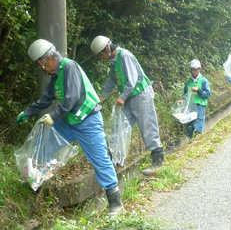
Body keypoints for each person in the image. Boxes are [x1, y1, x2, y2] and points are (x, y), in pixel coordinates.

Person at [16, 39, 124, 216]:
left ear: (47, 58)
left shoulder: (69, 67)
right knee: (46, 143)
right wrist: (27, 112)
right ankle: (36, 181)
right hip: (69, 121)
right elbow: (46, 98)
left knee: (100, 160)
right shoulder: (56, 75)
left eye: (39, 64)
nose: (40, 68)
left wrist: (53, 116)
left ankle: (115, 202)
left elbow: (72, 97)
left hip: (88, 120)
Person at [90, 35, 164, 176]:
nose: (101, 58)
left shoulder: (125, 55)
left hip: (141, 94)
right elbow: (112, 81)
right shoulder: (113, 61)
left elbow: (132, 79)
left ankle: (158, 162)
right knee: (120, 127)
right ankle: (115, 160)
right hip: (130, 97)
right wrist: (101, 97)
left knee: (148, 127)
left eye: (101, 54)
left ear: (107, 49)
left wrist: (122, 97)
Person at [182, 59, 210, 138]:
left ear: (199, 69)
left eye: (194, 70)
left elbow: (207, 94)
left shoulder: (203, 81)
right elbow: (185, 94)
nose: (192, 72)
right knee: (190, 128)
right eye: (191, 70)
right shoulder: (188, 82)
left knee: (198, 127)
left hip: (200, 106)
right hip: (190, 107)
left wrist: (198, 90)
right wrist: (182, 100)